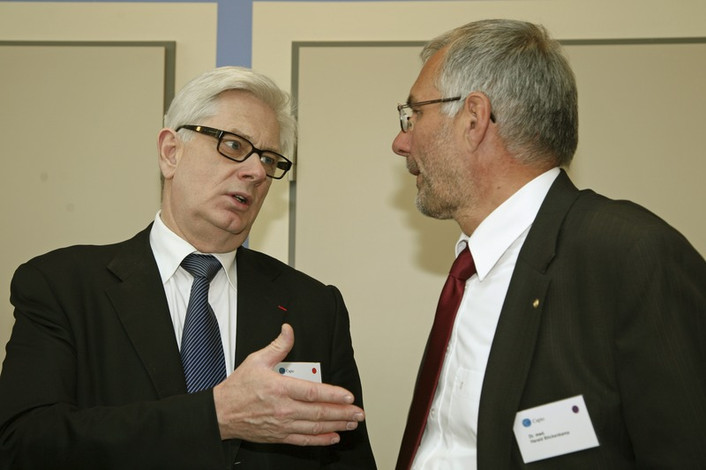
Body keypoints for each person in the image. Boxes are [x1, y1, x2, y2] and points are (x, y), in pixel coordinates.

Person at [0, 66, 376, 469]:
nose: (255, 172)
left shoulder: (314, 306)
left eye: (268, 159)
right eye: (234, 145)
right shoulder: (62, 285)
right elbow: (23, 444)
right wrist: (215, 416)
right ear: (170, 152)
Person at [391, 19, 706, 469]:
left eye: (415, 114)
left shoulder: (631, 255)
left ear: (474, 118)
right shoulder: (469, 270)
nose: (401, 142)